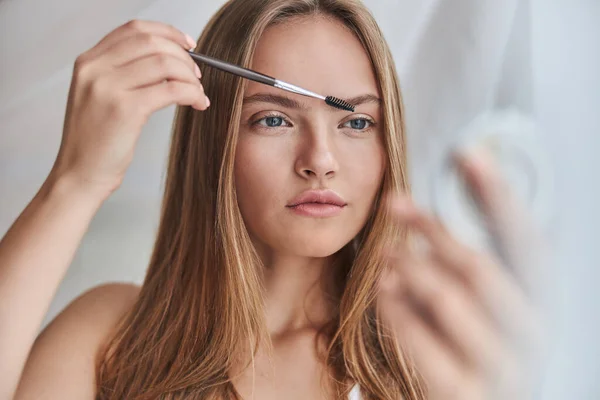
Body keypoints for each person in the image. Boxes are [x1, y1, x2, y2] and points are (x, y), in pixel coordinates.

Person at [1, 0, 542, 399]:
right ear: (214, 145)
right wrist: (76, 181)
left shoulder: (433, 357)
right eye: (274, 119)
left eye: (356, 121)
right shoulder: (111, 339)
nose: (320, 159)